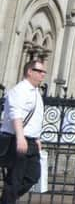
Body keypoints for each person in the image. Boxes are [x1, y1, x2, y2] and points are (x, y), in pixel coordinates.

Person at [0, 60, 45, 204]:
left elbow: (35, 118)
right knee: (15, 179)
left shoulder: (36, 92)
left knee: (33, 176)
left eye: (44, 72)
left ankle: (6, 199)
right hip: (17, 139)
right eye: (40, 71)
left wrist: (37, 138)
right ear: (29, 72)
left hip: (31, 141)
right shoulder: (19, 90)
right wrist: (20, 137)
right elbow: (16, 114)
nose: (43, 75)